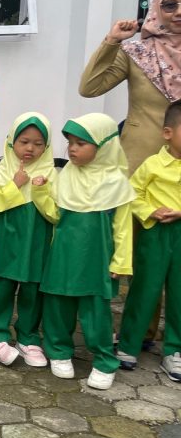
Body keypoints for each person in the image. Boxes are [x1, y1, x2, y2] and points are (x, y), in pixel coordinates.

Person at [40, 113, 134, 390]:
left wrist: (121, 261)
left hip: (97, 259)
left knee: (96, 312)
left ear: (104, 145)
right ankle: (59, 350)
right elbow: (55, 215)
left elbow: (123, 228)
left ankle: (104, 360)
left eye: (81, 143)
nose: (72, 149)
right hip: (64, 254)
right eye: (70, 142)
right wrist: (41, 193)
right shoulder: (65, 176)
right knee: (59, 304)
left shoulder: (117, 183)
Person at [80, 0, 181, 172]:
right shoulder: (137, 53)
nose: (179, 12)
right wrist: (112, 41)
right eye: (170, 5)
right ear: (157, 8)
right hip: (141, 159)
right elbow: (90, 87)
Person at [0, 113, 56, 367]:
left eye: (38, 143)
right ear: (12, 141)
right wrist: (15, 184)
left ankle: (28, 337)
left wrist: (41, 190)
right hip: (9, 241)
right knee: (2, 285)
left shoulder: (50, 172)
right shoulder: (5, 169)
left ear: (47, 146)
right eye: (24, 142)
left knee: (33, 289)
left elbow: (55, 214)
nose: (30, 148)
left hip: (37, 243)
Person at [116, 100, 181, 381]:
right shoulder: (153, 164)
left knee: (179, 294)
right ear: (168, 133)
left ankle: (174, 351)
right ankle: (129, 343)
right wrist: (150, 211)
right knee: (145, 289)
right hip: (154, 234)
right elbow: (133, 194)